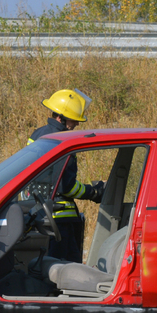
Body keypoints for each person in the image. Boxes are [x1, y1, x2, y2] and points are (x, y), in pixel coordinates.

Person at [28, 89, 105, 263]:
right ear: (60, 117)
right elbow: (66, 186)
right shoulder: (62, 141)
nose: (77, 124)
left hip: (38, 212)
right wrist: (94, 192)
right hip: (59, 219)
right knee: (66, 268)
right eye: (73, 119)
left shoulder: (38, 135)